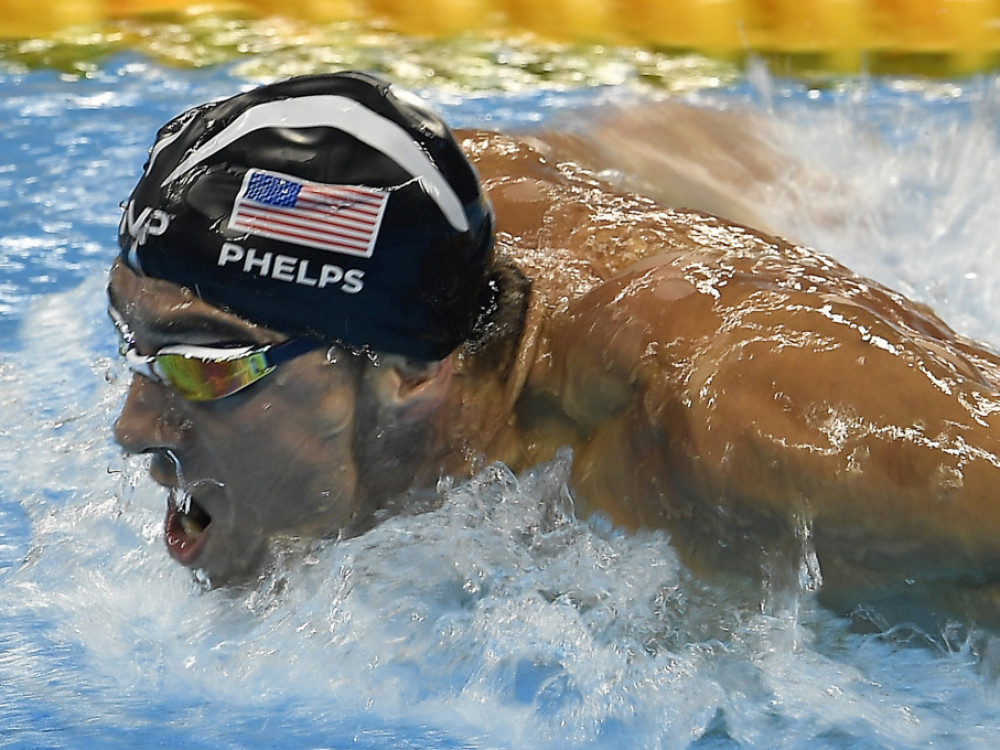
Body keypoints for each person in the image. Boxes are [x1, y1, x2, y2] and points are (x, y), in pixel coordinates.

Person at [109, 71, 1000, 627]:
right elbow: (651, 143)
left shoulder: (743, 434)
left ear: (411, 371)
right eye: (135, 342)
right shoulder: (436, 216)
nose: (132, 423)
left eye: (204, 366)